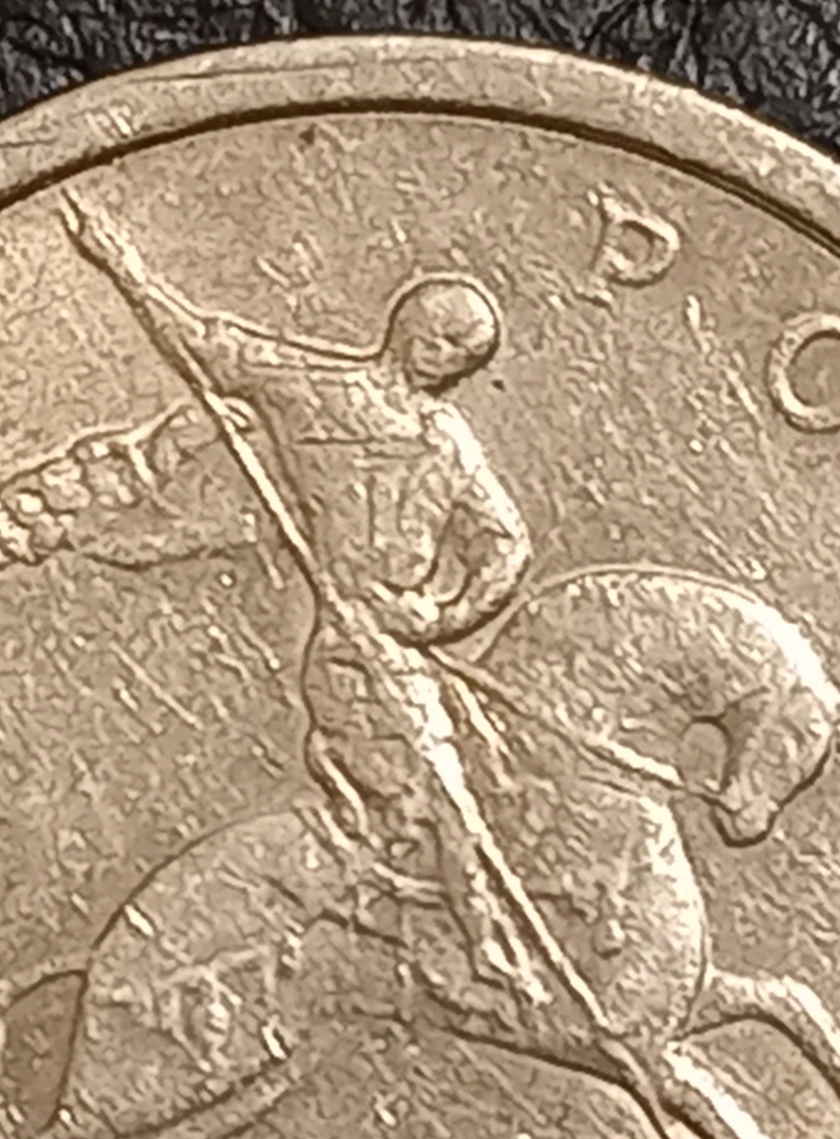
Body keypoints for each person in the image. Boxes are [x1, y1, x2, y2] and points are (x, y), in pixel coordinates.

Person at [65, 197, 548, 1003]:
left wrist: (440, 616)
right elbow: (210, 347)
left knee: (496, 781)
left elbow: (506, 546)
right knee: (442, 794)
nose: (448, 362)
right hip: (349, 650)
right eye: (443, 341)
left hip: (402, 643)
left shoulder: (447, 443)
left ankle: (444, 919)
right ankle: (487, 951)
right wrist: (124, 267)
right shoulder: (316, 391)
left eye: (465, 356)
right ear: (408, 326)